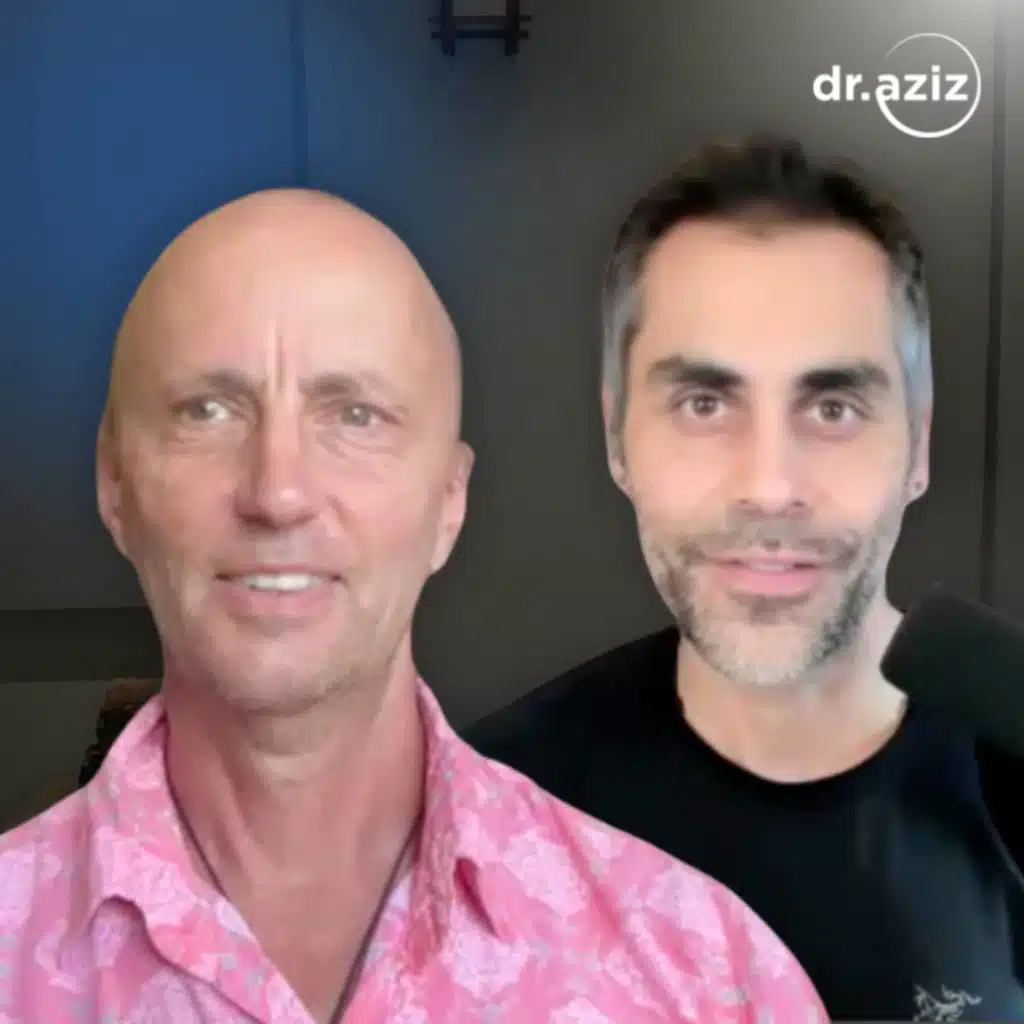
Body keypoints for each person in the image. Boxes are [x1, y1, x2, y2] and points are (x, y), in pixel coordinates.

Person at [0, 189, 827, 1023]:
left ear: (449, 503)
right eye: (207, 411)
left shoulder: (708, 982)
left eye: (355, 415)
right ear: (114, 483)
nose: (278, 492)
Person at [467, 136, 1024, 1023]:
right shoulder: (493, 811)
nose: (768, 486)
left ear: (917, 444)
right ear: (617, 439)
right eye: (704, 404)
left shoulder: (1011, 754)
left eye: (833, 406)